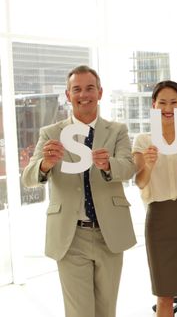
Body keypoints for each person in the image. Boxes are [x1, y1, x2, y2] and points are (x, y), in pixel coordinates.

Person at [21, 65, 136, 317]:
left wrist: (109, 165)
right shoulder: (51, 134)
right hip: (70, 236)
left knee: (107, 311)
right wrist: (45, 164)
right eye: (77, 90)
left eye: (89, 88)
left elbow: (129, 168)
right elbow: (28, 177)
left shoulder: (117, 131)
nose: (84, 95)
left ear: (100, 92)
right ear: (68, 94)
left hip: (109, 233)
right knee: (79, 313)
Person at [132, 81, 177, 317]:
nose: (168, 107)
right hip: (158, 219)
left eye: (174, 102)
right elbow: (141, 182)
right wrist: (149, 165)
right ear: (153, 105)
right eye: (162, 102)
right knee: (163, 295)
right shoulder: (142, 141)